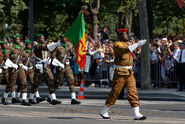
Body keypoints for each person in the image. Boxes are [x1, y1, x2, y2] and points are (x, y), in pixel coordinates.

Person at [99, 29, 146, 120]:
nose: (127, 36)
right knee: (115, 92)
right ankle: (104, 110)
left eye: (126, 34)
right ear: (120, 36)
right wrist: (137, 44)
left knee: (133, 92)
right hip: (120, 72)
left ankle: (136, 113)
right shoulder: (117, 44)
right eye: (124, 35)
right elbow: (124, 50)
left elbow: (132, 53)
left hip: (129, 72)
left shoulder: (128, 43)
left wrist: (136, 45)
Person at [30, 33, 61, 105]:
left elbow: (50, 52)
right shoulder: (37, 46)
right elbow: (45, 48)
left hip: (46, 66)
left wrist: (55, 46)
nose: (43, 39)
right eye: (41, 38)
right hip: (39, 67)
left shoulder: (45, 46)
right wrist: (56, 44)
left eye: (43, 38)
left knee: (51, 81)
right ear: (38, 39)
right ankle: (31, 98)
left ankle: (53, 99)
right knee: (36, 83)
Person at [50, 34, 81, 104]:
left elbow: (72, 55)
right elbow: (53, 57)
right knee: (57, 82)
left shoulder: (68, 46)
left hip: (67, 66)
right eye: (63, 38)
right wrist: (57, 64)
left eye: (66, 38)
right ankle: (52, 97)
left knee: (71, 81)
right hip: (60, 67)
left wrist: (72, 53)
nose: (65, 39)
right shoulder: (57, 46)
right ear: (61, 38)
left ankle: (73, 98)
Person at [1, 35, 30, 106]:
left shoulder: (21, 48)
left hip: (20, 68)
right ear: (14, 40)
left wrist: (26, 57)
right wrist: (13, 65)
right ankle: (4, 97)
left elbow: (25, 57)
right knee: (11, 84)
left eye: (19, 39)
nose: (18, 41)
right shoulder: (10, 48)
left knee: (24, 83)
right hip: (13, 68)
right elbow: (6, 58)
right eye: (17, 39)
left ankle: (24, 99)